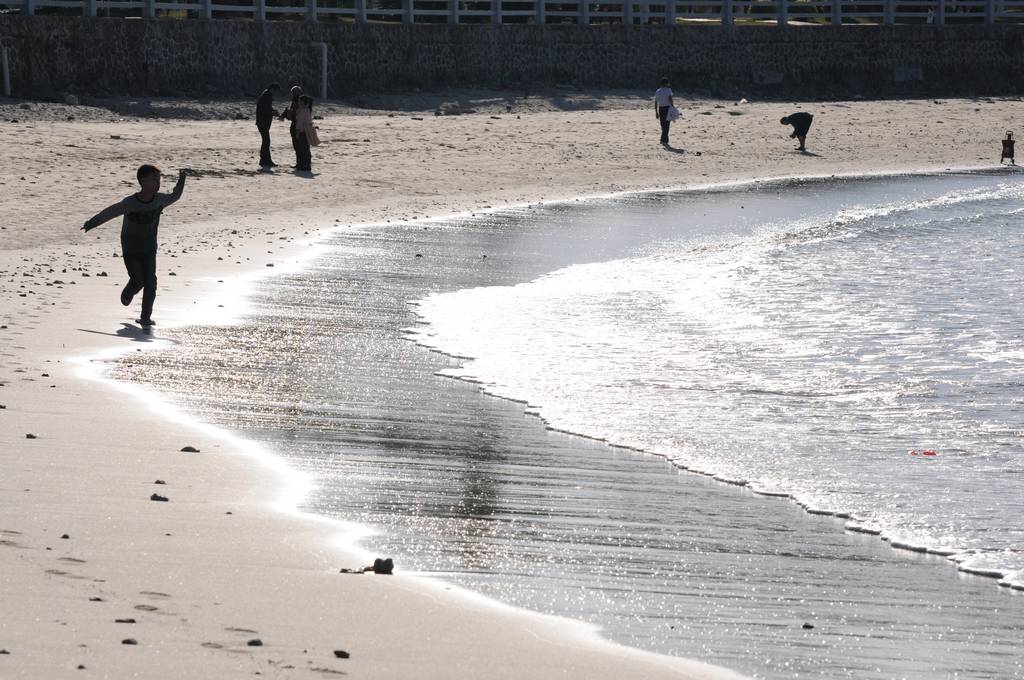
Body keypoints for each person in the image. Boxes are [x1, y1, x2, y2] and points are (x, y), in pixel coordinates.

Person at [81, 165, 187, 327]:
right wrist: (91, 223)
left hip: (150, 248)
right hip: (131, 248)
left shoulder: (160, 200)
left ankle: (145, 317)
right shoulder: (130, 203)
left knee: (151, 281)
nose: (158, 183)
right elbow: (109, 213)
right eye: (154, 179)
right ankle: (129, 290)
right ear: (142, 181)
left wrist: (182, 179)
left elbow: (175, 195)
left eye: (159, 180)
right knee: (138, 280)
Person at [255, 82, 281, 168]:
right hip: (263, 123)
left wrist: (273, 111)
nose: (277, 94)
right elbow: (265, 110)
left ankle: (264, 160)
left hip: (262, 122)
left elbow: (266, 108)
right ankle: (265, 161)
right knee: (266, 142)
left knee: (266, 142)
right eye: (276, 91)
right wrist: (273, 113)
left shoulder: (266, 95)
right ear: (272, 89)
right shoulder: (267, 96)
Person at [294, 94, 320, 172]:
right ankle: (307, 165)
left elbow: (299, 123)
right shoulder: (308, 109)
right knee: (306, 149)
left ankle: (303, 166)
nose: (298, 102)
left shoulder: (302, 110)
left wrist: (297, 132)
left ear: (302, 102)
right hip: (308, 131)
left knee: (302, 150)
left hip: (303, 132)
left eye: (299, 101)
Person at [279, 85, 303, 169]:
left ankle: (299, 163)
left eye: (292, 92)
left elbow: (294, 113)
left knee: (297, 145)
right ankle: (300, 163)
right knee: (298, 145)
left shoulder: (296, 101)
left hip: (296, 125)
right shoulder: (299, 101)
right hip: (298, 124)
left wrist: (286, 114)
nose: (291, 94)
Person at [654, 77, 674, 146]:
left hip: (660, 109)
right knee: (667, 125)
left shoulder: (658, 91)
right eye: (668, 82)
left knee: (663, 125)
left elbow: (656, 102)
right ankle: (664, 140)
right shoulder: (668, 90)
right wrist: (673, 107)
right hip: (667, 108)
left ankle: (663, 140)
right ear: (665, 83)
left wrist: (656, 111)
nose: (669, 84)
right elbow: (670, 99)